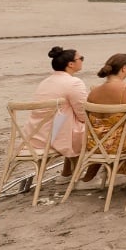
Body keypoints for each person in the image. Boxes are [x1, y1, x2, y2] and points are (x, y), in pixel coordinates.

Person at [85, 53, 126, 179]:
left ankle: (89, 177)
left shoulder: (94, 92)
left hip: (96, 145)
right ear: (124, 68)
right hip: (122, 145)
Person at [31, 46, 90, 181]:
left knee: (70, 123)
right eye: (81, 58)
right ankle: (87, 177)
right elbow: (83, 114)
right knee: (100, 130)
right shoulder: (73, 83)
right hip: (57, 136)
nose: (82, 60)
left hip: (36, 135)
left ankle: (67, 173)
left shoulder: (45, 82)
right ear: (70, 64)